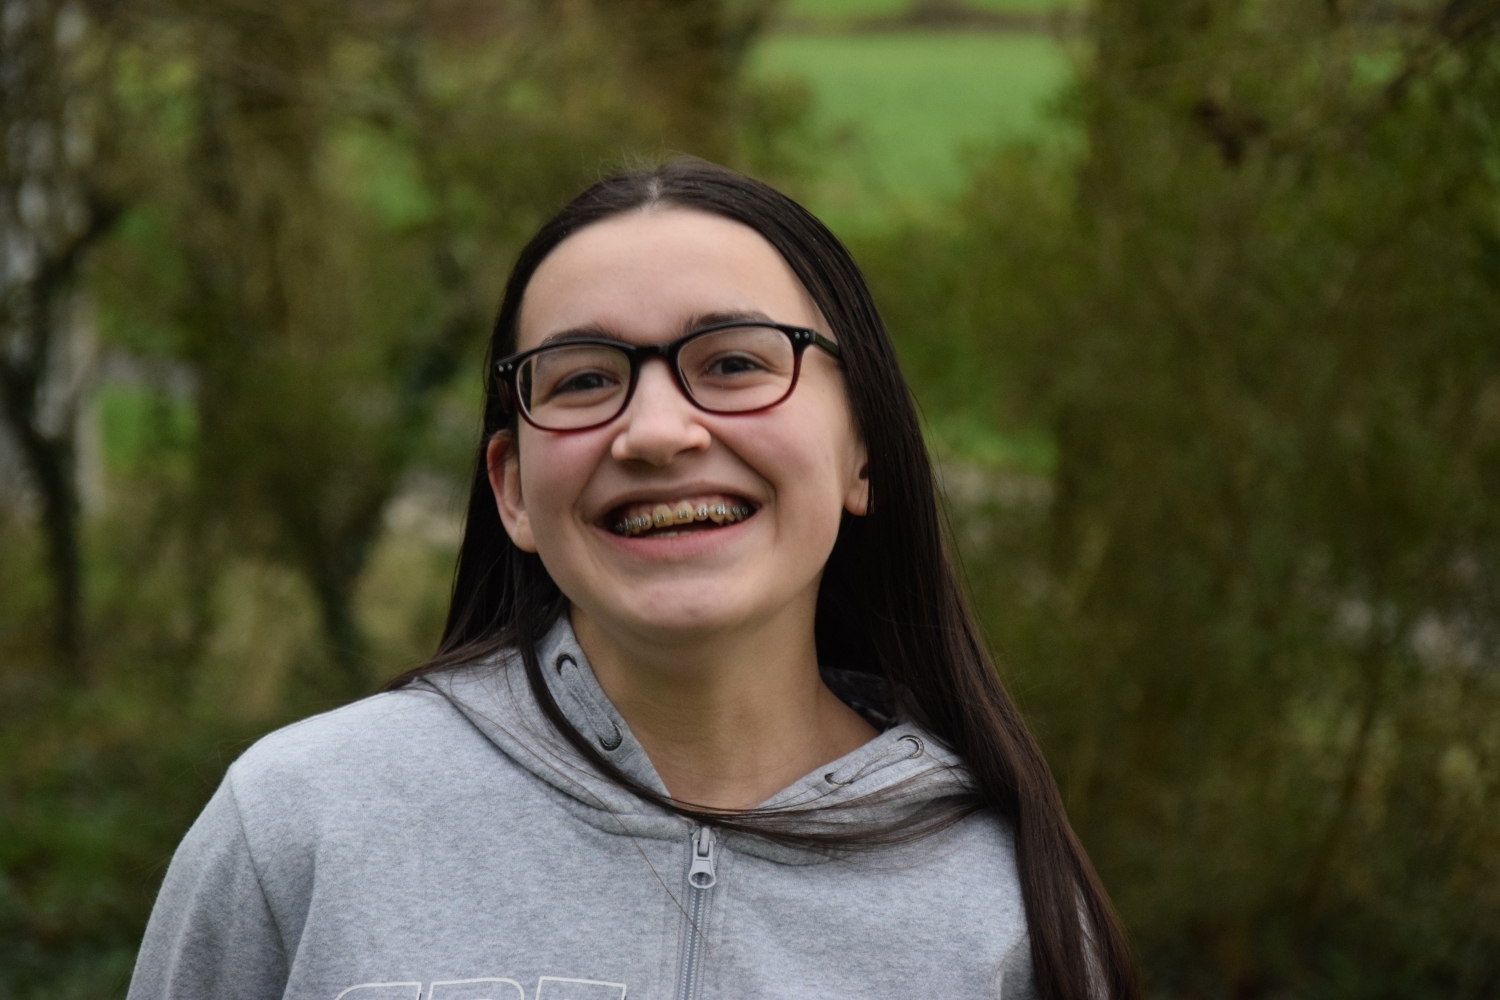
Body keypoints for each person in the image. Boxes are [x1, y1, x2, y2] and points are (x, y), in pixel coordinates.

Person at [128, 158, 1138, 1000]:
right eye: (583, 379)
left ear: (862, 451)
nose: (656, 431)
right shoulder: (303, 824)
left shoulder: (1007, 902)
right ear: (512, 490)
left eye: (734, 363)